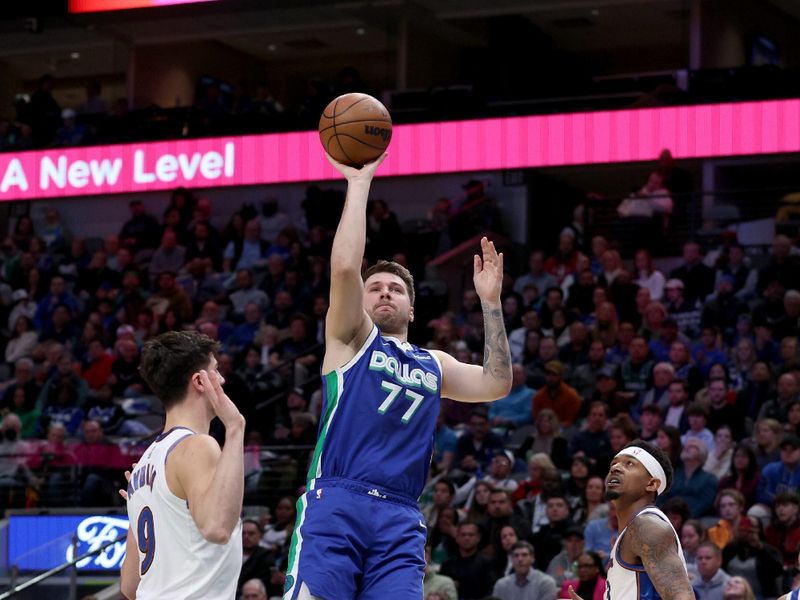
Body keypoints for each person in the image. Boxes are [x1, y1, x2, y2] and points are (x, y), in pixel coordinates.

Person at [284, 154, 512, 600]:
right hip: (338, 500)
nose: (385, 291)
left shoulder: (435, 363)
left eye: (397, 289)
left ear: (412, 308)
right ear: (361, 302)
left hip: (402, 515)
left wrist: (491, 303)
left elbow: (496, 383)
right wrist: (360, 181)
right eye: (376, 287)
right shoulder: (350, 339)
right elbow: (346, 268)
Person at [120, 331, 245, 600]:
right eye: (216, 371)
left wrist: (138, 503)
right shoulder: (198, 446)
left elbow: (130, 586)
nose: (222, 379)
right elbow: (217, 527)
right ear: (200, 381)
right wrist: (235, 429)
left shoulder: (144, 464)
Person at [566, 439, 693, 600]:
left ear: (652, 483)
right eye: (614, 463)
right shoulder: (633, 529)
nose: (615, 468)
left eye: (629, 464)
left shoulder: (647, 527)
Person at [492, 541, 558, 600]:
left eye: (524, 555)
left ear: (532, 558)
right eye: (516, 555)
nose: (520, 559)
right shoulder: (501, 585)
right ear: (511, 559)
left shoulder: (545, 583)